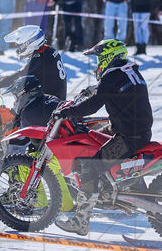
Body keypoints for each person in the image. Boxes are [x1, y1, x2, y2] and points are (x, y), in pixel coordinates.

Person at [54, 39, 153, 236]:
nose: (98, 63)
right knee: (92, 134)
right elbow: (110, 91)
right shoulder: (128, 71)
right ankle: (121, 183)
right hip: (136, 129)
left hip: (128, 135)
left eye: (99, 58)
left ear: (108, 56)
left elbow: (92, 106)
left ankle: (80, 221)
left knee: (91, 167)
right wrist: (93, 90)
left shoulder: (112, 76)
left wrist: (67, 113)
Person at [0, 25, 67, 100]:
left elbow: (19, 75)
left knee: (20, 87)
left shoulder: (40, 57)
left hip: (49, 105)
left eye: (20, 45)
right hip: (54, 99)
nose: (18, 48)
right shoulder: (48, 50)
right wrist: (2, 82)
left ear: (29, 42)